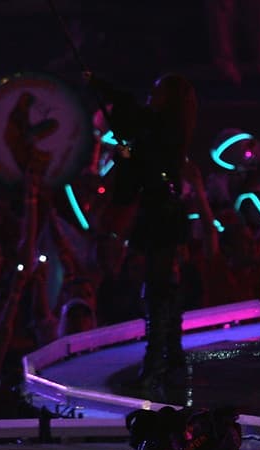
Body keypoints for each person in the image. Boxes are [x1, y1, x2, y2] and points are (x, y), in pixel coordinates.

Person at [87, 72, 198, 398]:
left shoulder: (165, 128)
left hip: (160, 214)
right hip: (162, 211)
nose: (151, 97)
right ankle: (171, 361)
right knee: (163, 287)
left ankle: (156, 366)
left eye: (157, 92)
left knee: (158, 287)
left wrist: (101, 85)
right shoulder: (169, 128)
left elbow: (132, 119)